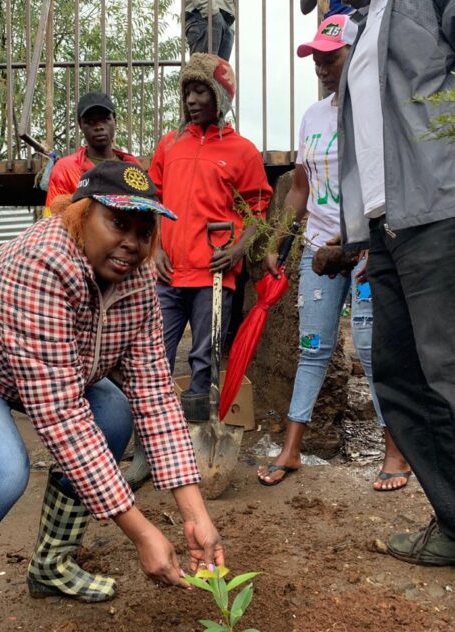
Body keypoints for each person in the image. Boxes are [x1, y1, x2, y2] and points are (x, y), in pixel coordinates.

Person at [0, 161, 224, 630]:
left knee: (115, 412)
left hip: (26, 368)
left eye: (143, 229)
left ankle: (51, 565)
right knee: (1, 472)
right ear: (80, 213)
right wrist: (141, 532)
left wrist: (196, 517)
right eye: (117, 222)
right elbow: (60, 415)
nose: (132, 243)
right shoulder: (40, 264)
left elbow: (155, 394)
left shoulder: (135, 282)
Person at [257, 14, 410, 491]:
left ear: (355, 56)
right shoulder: (313, 116)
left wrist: (366, 241)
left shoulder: (378, 112)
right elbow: (301, 188)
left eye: (333, 57)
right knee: (313, 349)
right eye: (318, 59)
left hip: (368, 249)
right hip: (319, 249)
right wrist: (278, 237)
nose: (323, 67)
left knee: (371, 348)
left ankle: (396, 454)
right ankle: (291, 449)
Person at [338, 0, 455, 565]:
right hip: (386, 227)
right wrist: (358, 235)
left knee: (447, 374)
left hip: (438, 209)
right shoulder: (364, 27)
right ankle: (454, 521)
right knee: (399, 375)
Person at [149, 52, 272, 421]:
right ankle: (148, 442)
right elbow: (153, 201)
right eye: (187, 91)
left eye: (201, 91)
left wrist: (237, 250)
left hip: (214, 275)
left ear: (220, 96)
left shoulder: (242, 151)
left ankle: (197, 439)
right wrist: (154, 248)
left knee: (204, 358)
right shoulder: (169, 145)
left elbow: (258, 209)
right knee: (155, 356)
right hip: (168, 273)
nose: (191, 100)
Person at [44, 91, 140, 215]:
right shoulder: (66, 169)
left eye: (105, 119)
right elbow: (52, 218)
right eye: (90, 121)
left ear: (114, 121)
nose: (99, 127)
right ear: (80, 125)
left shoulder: (132, 168)